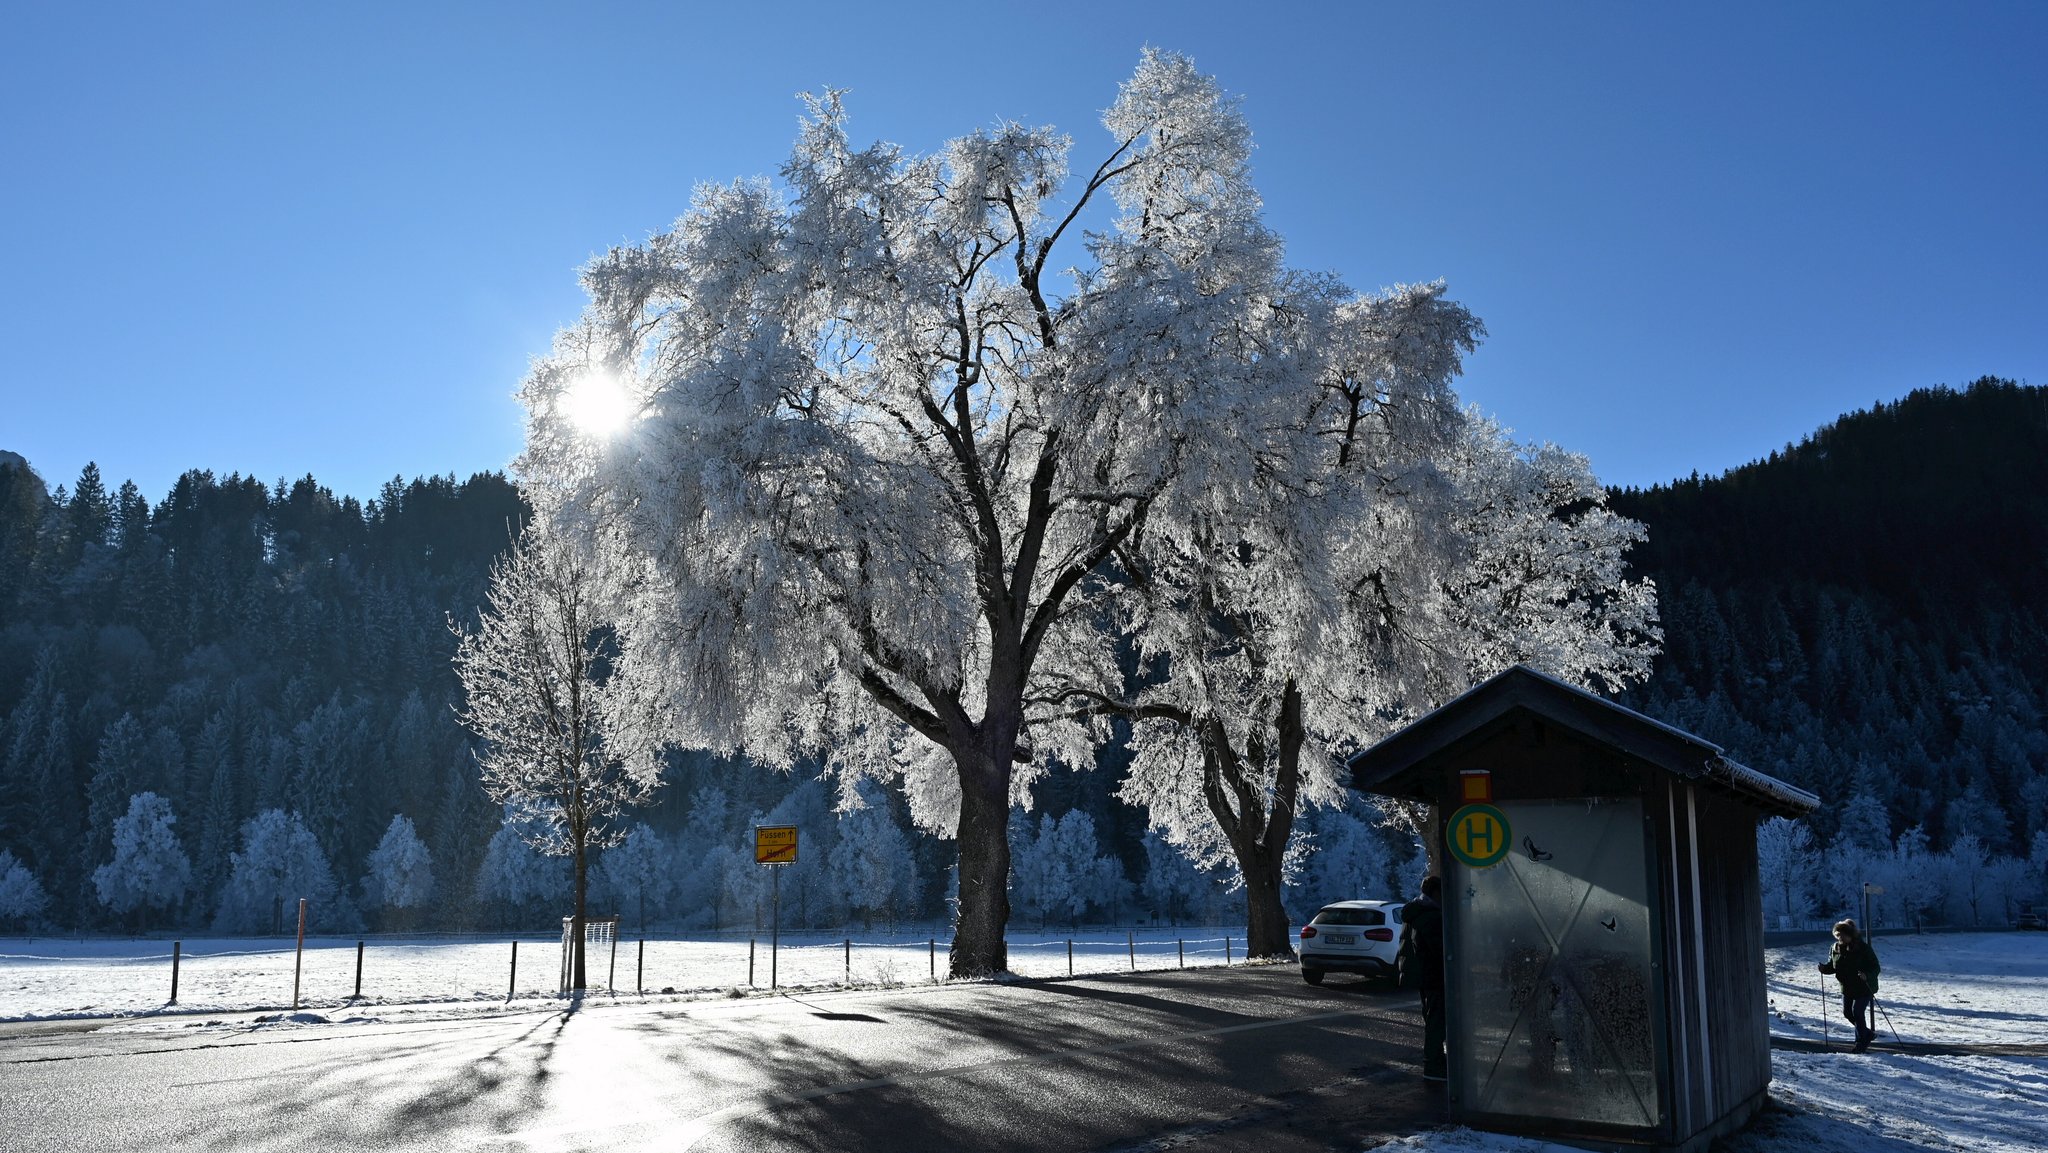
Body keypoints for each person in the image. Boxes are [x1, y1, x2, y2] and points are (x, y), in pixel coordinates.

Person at [1402, 874, 1446, 1082]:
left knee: (1433, 1018)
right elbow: (1440, 949)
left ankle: (1435, 1061)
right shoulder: (1431, 916)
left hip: (1423, 976)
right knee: (1437, 1020)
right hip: (1434, 976)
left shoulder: (1416, 912)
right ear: (1436, 893)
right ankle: (1434, 1065)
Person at [1818, 917, 1881, 1052]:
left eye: (1843, 935)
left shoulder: (1863, 948)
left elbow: (1875, 967)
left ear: (1850, 935)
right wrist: (1824, 969)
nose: (1840, 938)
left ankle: (1861, 1043)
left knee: (1857, 1012)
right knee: (1847, 1013)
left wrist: (1867, 975)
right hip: (1847, 987)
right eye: (1838, 935)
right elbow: (1832, 966)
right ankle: (1867, 1034)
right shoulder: (1835, 948)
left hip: (1864, 986)